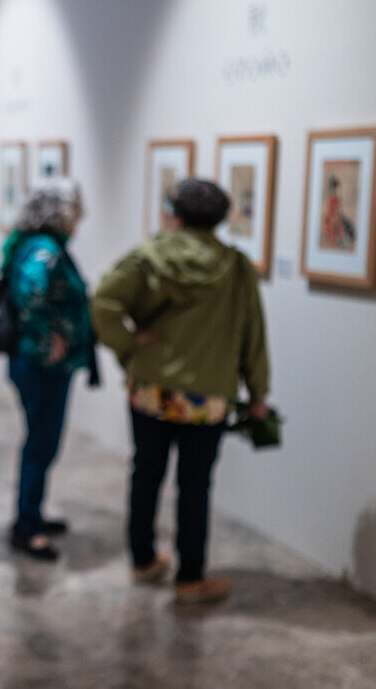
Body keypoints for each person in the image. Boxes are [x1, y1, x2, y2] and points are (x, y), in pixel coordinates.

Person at [92, 178, 269, 603]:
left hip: (152, 389)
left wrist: (130, 345)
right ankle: (190, 579)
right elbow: (253, 334)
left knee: (146, 472)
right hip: (207, 397)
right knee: (195, 485)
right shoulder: (236, 267)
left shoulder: (150, 256)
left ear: (177, 212)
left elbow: (102, 302)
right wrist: (258, 391)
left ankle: (143, 560)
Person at [2, 179, 99, 560]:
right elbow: (32, 293)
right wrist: (50, 338)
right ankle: (27, 527)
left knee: (40, 442)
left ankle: (31, 513)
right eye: (76, 209)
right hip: (42, 366)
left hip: (38, 364)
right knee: (42, 443)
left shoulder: (35, 244)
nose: (81, 217)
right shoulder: (45, 250)